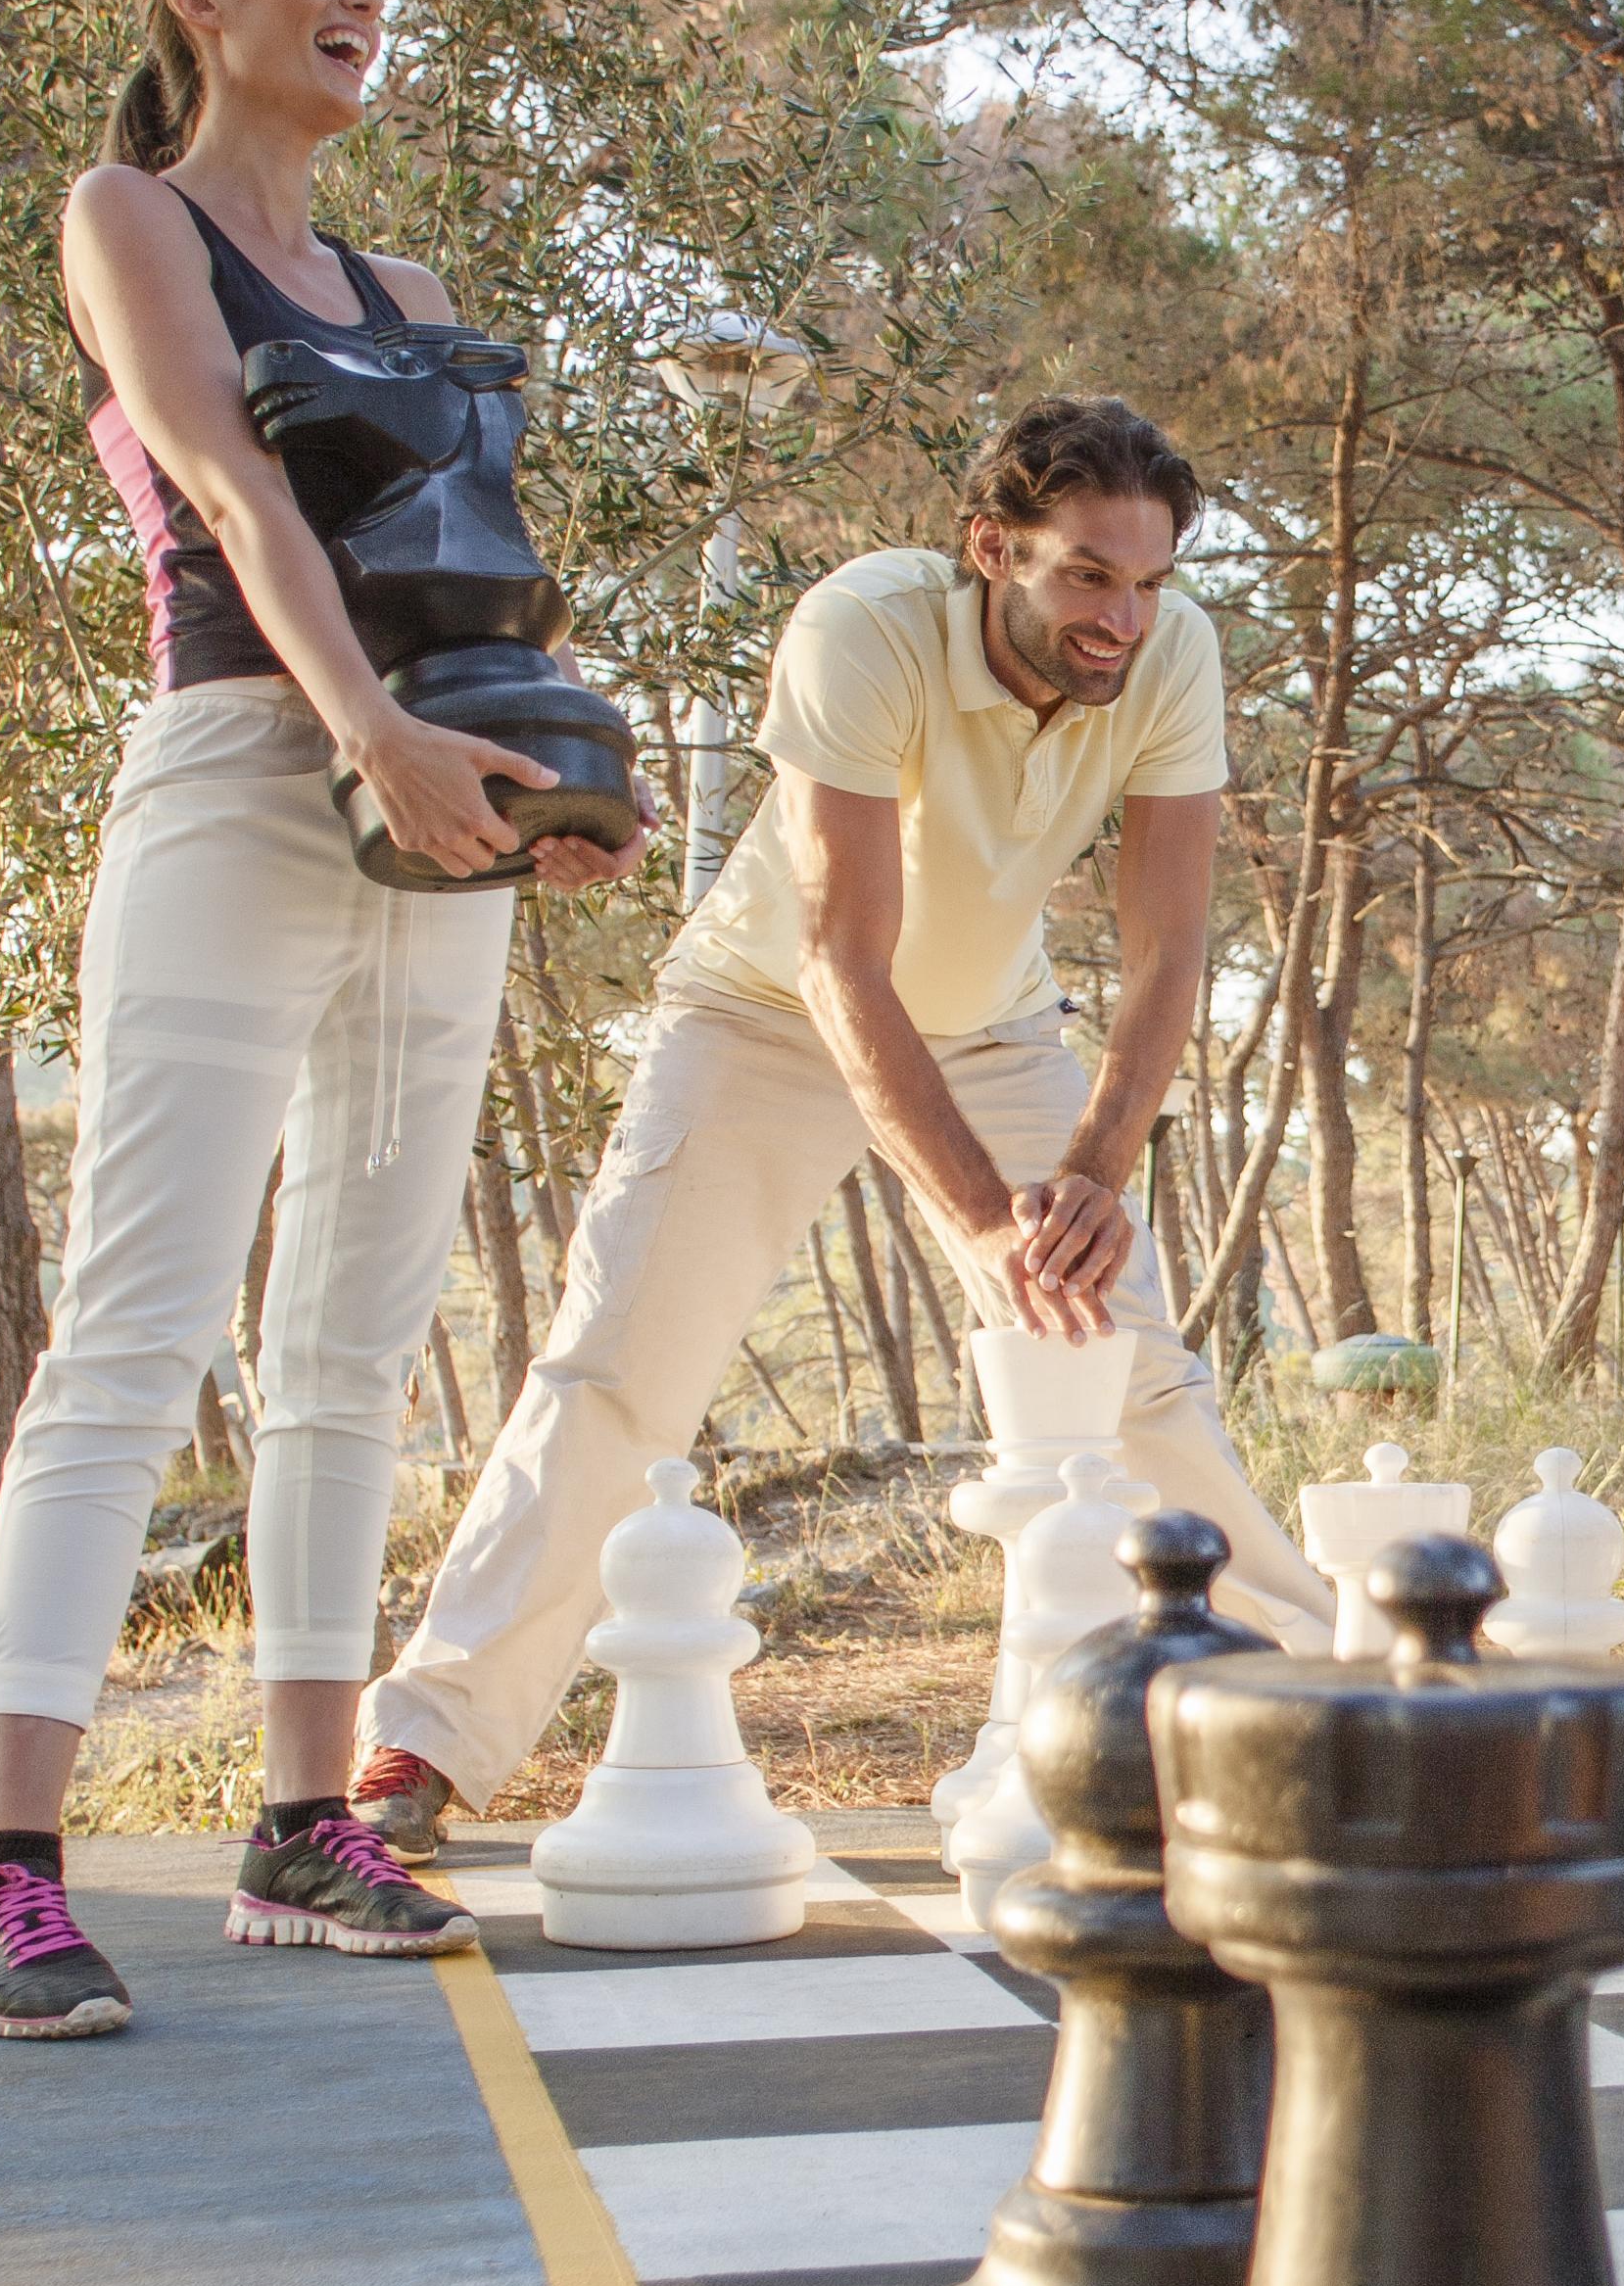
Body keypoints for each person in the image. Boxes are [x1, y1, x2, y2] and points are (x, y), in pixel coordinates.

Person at [0, 0, 637, 2041]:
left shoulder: (406, 276)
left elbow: (477, 563)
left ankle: (301, 1819)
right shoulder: (129, 213)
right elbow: (231, 487)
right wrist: (370, 737)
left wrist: (539, 780)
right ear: (200, 0)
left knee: (355, 1337)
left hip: (435, 789)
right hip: (253, 760)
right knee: (138, 1326)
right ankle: (8, 1870)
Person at [336, 397, 1330, 1854]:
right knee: (622, 1366)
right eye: (1087, 577)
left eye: (1149, 580)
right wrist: (990, 1222)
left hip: (995, 1026)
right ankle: (421, 1740)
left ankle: (1318, 1698)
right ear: (991, 549)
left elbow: (1171, 954)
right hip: (767, 1013)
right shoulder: (861, 629)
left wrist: (1092, 1180)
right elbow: (838, 965)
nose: (1125, 617)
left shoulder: (1173, 654)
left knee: (1134, 1368)